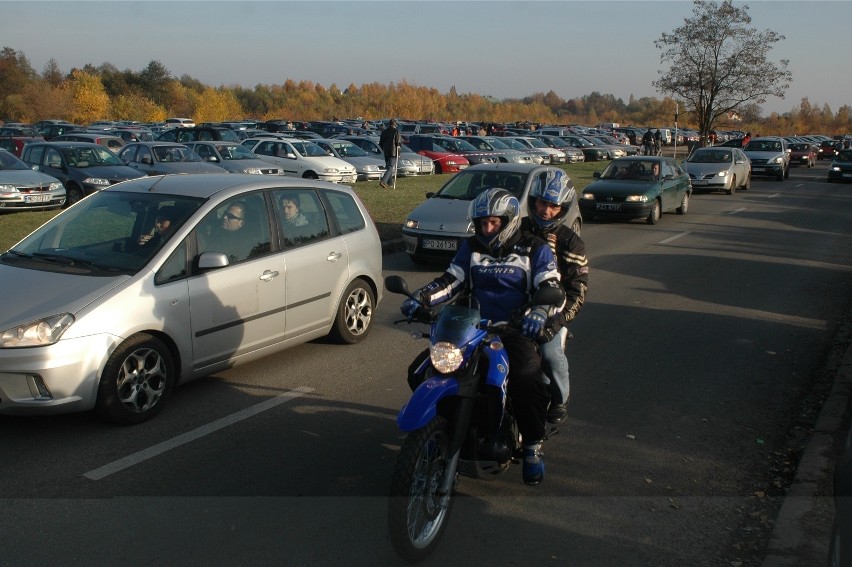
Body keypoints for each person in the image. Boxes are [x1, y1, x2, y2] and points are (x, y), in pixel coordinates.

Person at [400, 188, 562, 485]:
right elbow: (451, 281)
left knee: (527, 378)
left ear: (509, 220)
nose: (487, 229)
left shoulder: (535, 248)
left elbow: (550, 285)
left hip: (513, 330)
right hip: (471, 329)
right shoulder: (471, 247)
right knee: (420, 371)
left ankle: (531, 448)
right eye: (481, 223)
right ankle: (443, 427)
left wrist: (538, 312)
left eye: (493, 223)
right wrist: (421, 298)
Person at [520, 170, 588, 425]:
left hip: (552, 311)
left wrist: (556, 322)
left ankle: (560, 398)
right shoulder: (516, 229)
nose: (546, 210)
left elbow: (578, 291)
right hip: (512, 307)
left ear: (562, 208)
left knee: (549, 355)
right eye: (542, 203)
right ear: (533, 201)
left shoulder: (571, 242)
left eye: (553, 205)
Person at [379, 119, 401, 189]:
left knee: (389, 167)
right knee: (390, 167)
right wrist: (399, 153)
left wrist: (383, 149)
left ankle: (390, 183)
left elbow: (381, 143)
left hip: (386, 152)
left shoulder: (384, 132)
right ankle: (383, 181)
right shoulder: (396, 131)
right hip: (393, 152)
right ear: (395, 124)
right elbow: (398, 143)